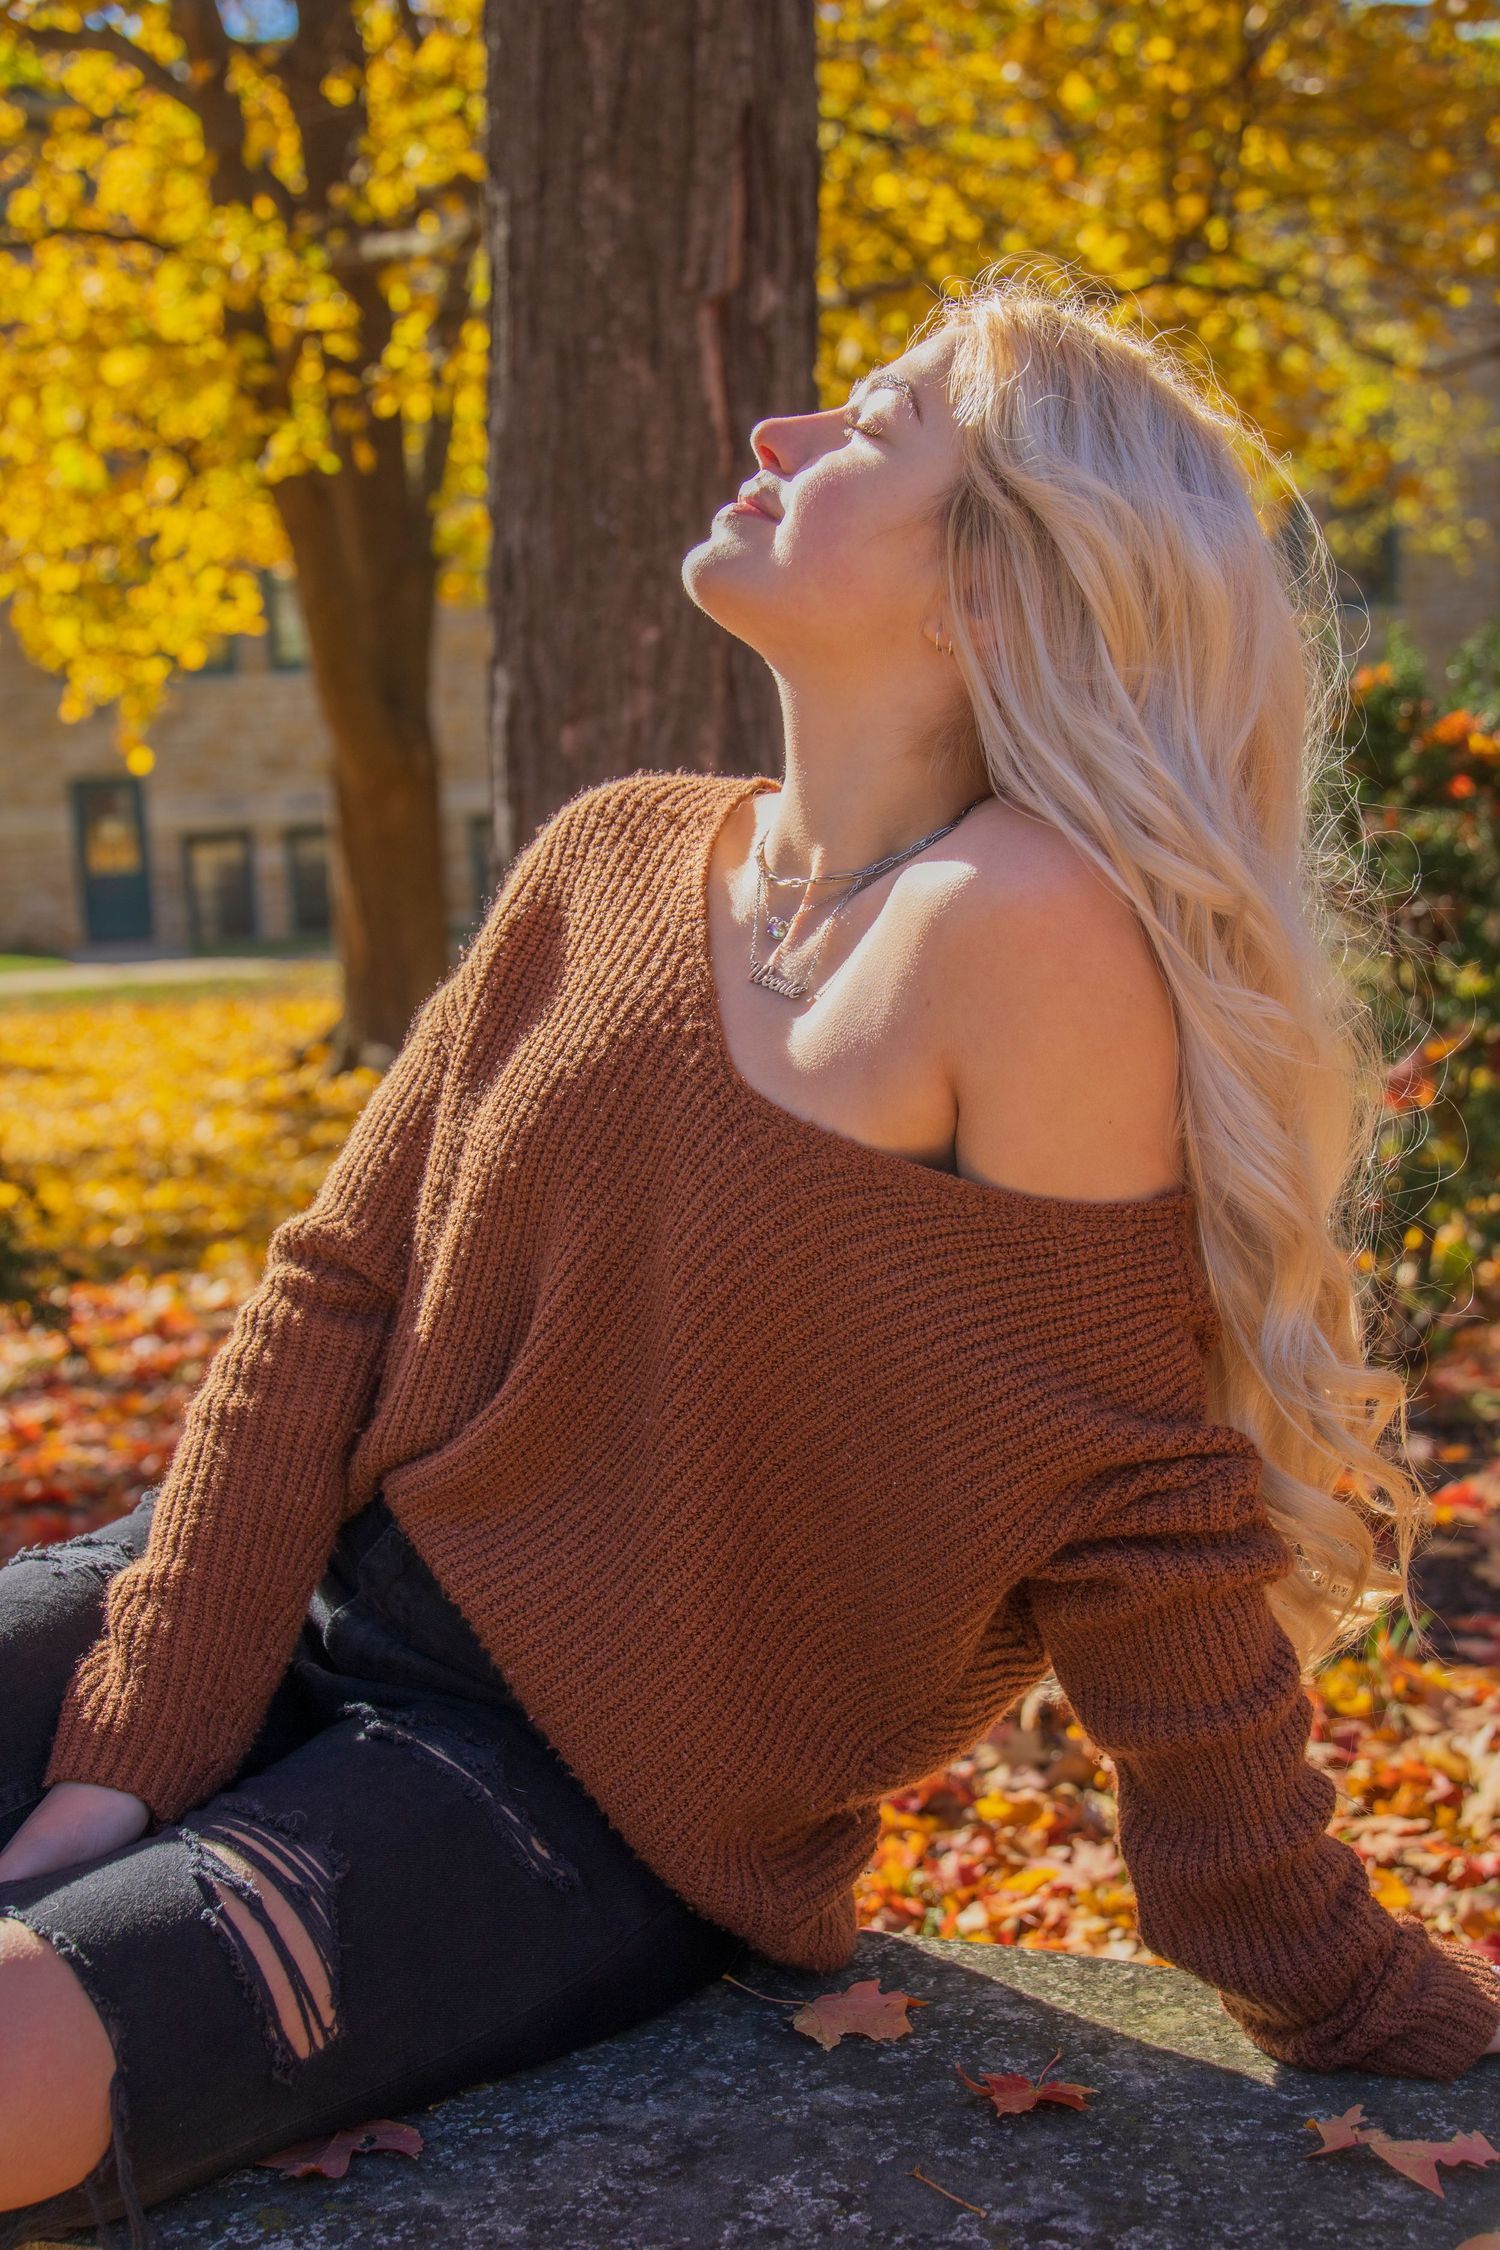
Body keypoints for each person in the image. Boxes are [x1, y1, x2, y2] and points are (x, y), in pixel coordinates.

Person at [3, 260, 1498, 2249]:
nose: (779, 435)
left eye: (872, 432)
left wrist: (1323, 1968)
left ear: (998, 588)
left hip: (562, 1803)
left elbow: (1131, 1500)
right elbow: (332, 1295)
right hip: (277, 1598)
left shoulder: (1025, 926)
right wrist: (127, 1754)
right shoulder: (614, 850)